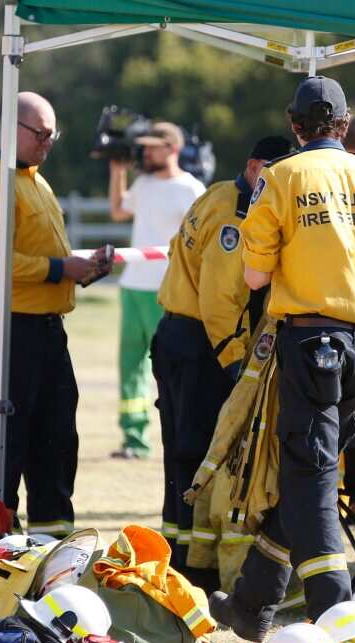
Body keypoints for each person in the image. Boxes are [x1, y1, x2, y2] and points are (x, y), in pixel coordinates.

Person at [209, 76, 355, 636]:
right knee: (312, 474)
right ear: (346, 126)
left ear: (294, 125)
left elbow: (255, 274)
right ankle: (252, 604)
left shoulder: (280, 177)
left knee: (313, 476)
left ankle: (336, 614)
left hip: (309, 344)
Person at [0, 91, 105, 538]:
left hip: (45, 332)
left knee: (57, 446)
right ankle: (0, 554)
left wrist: (82, 270)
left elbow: (38, 254)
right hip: (6, 333)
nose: (47, 142)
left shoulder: (35, 181)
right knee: (7, 448)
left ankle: (53, 553)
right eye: (40, 134)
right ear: (11, 129)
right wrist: (63, 268)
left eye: (52, 135)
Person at [151, 135, 295, 586]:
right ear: (255, 167)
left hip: (179, 334)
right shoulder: (235, 215)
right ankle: (193, 568)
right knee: (196, 452)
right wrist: (236, 365)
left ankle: (178, 554)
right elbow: (220, 301)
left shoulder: (215, 193)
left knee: (181, 453)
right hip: (203, 343)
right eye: (274, 174)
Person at [107, 121, 207, 460]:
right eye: (145, 147)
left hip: (165, 291)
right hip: (132, 286)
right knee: (129, 365)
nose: (146, 152)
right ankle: (133, 438)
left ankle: (176, 433)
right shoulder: (144, 183)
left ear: (172, 148)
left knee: (165, 367)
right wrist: (117, 172)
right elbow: (120, 210)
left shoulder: (191, 189)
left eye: (153, 147)